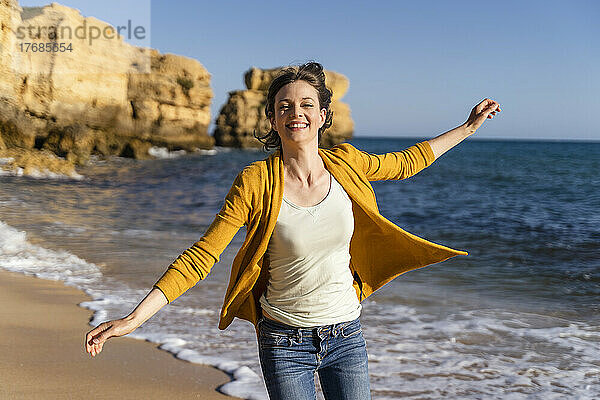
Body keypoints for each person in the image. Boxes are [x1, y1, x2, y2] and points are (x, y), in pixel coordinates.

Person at [85, 62, 501, 399]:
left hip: (347, 335)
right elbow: (202, 256)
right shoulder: (255, 181)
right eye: (284, 106)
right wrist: (134, 318)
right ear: (272, 118)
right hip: (284, 344)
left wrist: (467, 128)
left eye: (306, 105)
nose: (295, 113)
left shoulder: (347, 163)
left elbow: (408, 161)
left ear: (322, 116)